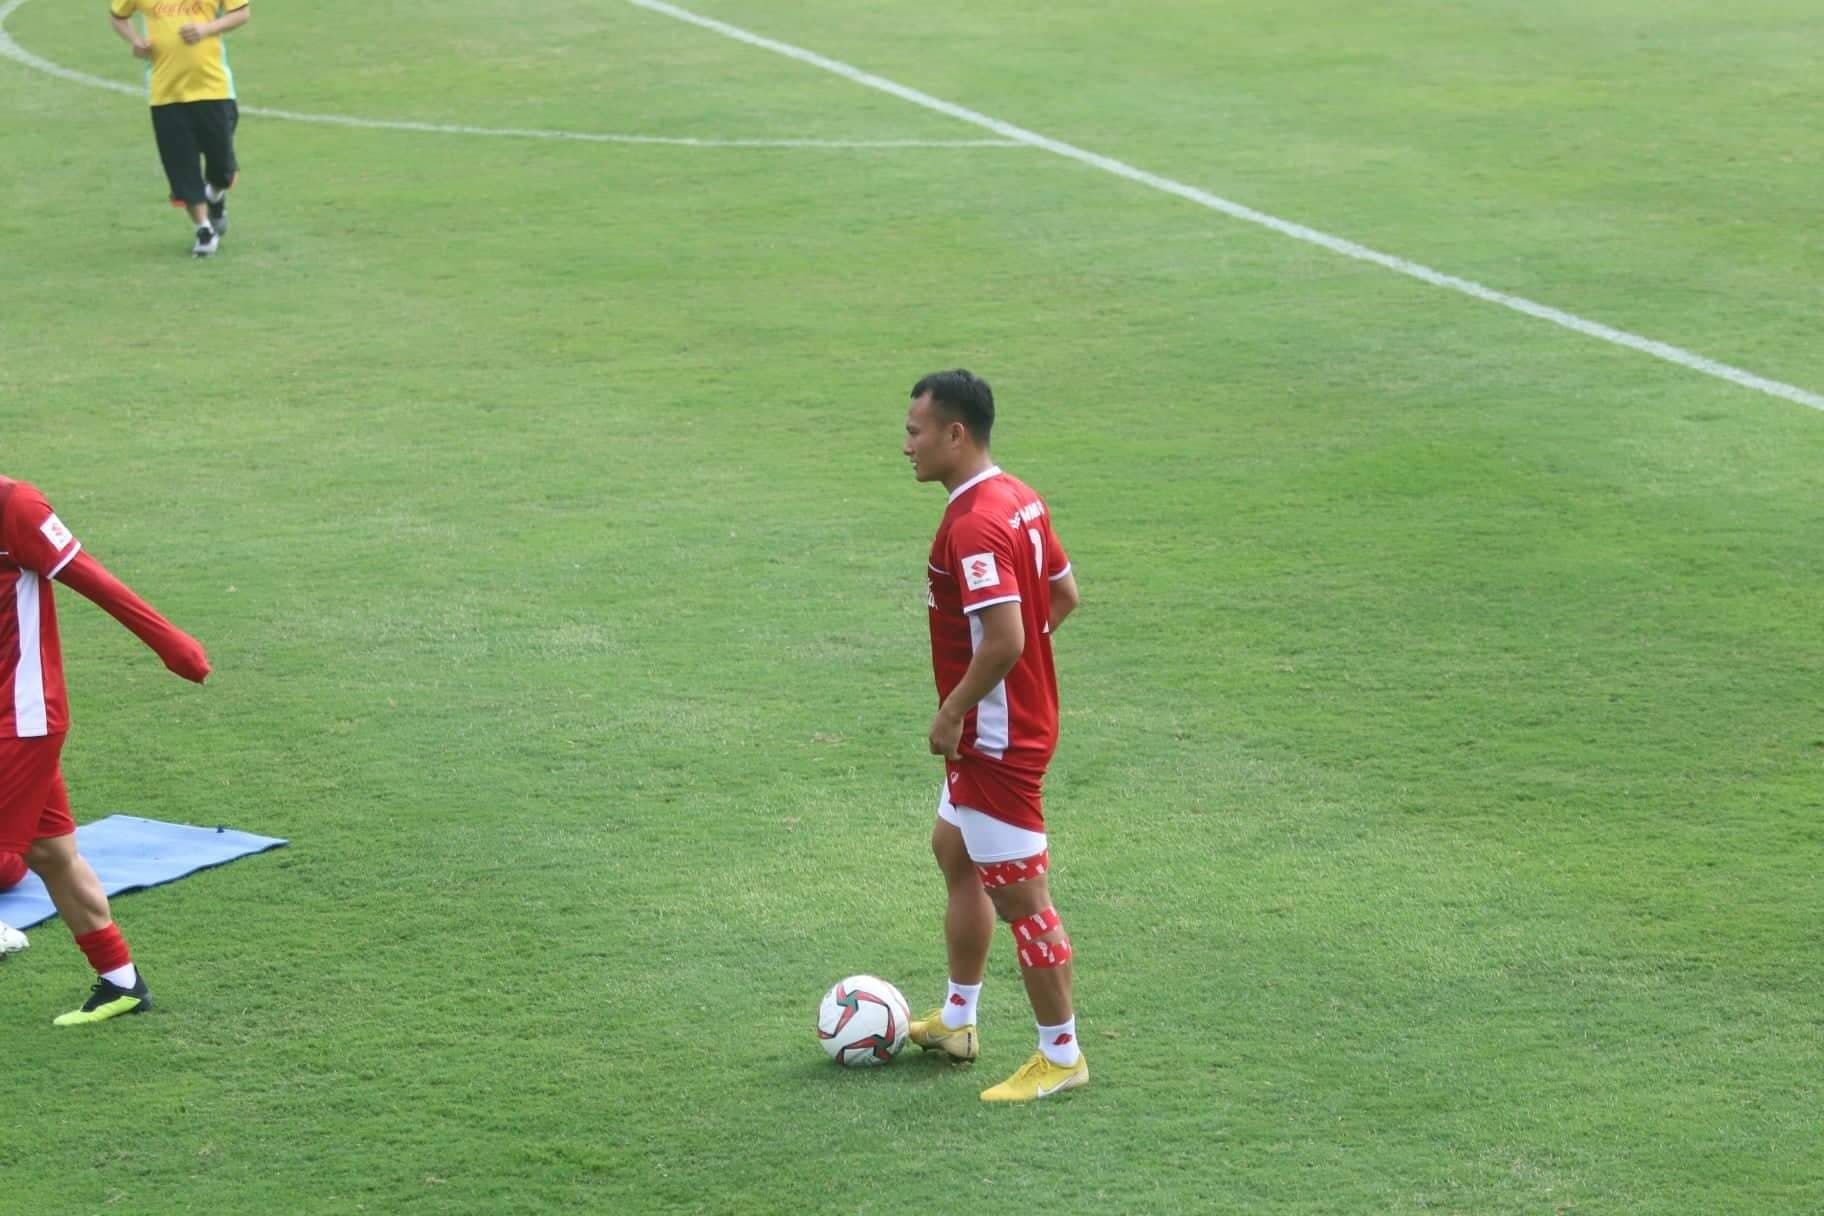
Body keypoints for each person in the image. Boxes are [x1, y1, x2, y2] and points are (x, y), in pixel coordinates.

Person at [899, 370, 1088, 1102]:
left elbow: (1005, 636)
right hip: (1007, 723)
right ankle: (958, 1019)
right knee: (955, 851)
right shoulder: (1020, 499)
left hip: (996, 740)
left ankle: (1062, 1054)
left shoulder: (975, 522)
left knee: (1023, 900)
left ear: (956, 433)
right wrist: (1018, 673)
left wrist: (958, 709)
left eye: (916, 432)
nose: (906, 445)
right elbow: (1063, 595)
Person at [0, 474, 211, 1024]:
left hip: (21, 719)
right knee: (51, 854)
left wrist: (174, 646)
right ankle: (121, 983)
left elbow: (95, 580)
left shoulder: (13, 506)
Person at [108, 0, 252, 257]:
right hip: (166, 92)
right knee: (181, 166)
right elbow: (118, 16)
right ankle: (204, 230)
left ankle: (215, 197)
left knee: (223, 166)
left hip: (213, 87)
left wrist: (205, 29)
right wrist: (135, 40)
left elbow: (241, 13)